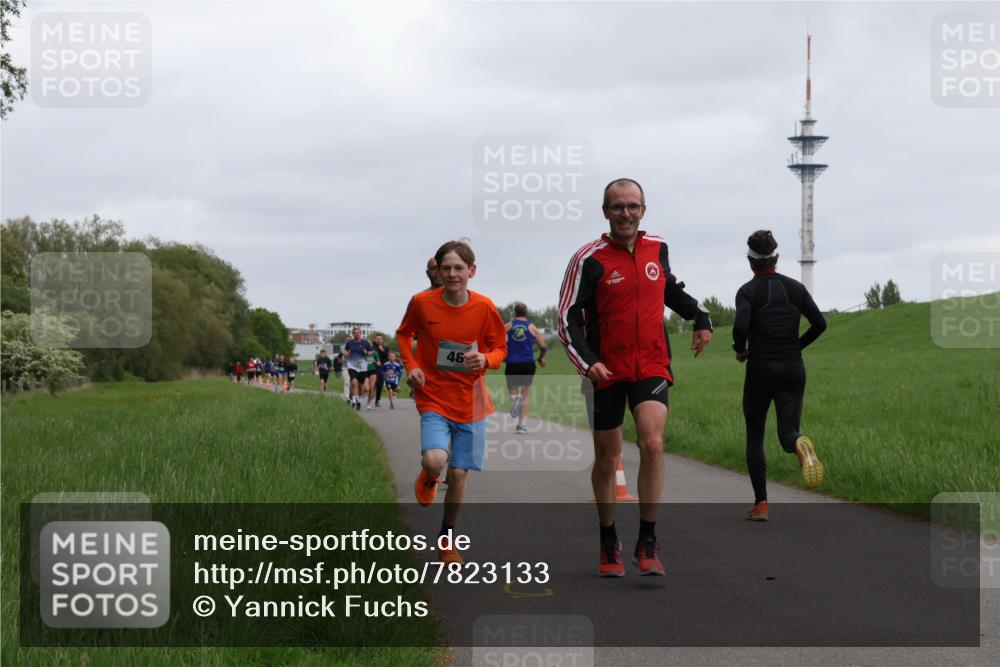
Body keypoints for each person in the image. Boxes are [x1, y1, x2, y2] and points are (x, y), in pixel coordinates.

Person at [558, 178, 713, 577]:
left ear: (644, 210)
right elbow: (567, 318)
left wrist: (700, 316)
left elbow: (669, 289)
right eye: (617, 207)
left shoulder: (656, 247)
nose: (625, 213)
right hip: (606, 371)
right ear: (605, 212)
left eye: (632, 206)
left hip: (652, 365)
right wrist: (587, 362)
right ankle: (608, 538)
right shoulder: (587, 259)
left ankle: (648, 538)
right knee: (608, 459)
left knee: (654, 443)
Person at [396, 240, 507, 564]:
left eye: (459, 268)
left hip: (471, 402)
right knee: (434, 459)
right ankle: (429, 476)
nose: (453, 274)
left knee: (458, 475)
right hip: (433, 396)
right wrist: (413, 366)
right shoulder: (421, 303)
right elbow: (404, 335)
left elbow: (499, 348)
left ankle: (447, 538)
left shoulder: (485, 307)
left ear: (472, 271)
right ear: (438, 272)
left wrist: (486, 359)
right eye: (446, 268)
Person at [733, 230, 827, 522]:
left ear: (750, 261)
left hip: (760, 368)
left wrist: (740, 348)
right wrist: (795, 345)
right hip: (792, 368)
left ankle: (761, 505)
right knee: (787, 433)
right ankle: (800, 444)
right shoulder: (795, 288)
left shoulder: (747, 291)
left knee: (755, 436)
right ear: (776, 257)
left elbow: (740, 326)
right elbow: (820, 324)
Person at [504, 302, 548, 434]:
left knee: (513, 392)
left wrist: (502, 352)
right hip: (528, 364)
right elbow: (544, 347)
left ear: (515, 313)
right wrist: (540, 358)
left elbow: (495, 337)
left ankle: (514, 398)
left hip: (512, 363)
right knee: (525, 394)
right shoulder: (532, 327)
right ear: (526, 313)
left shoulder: (509, 325)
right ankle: (521, 425)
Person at [344, 328, 372, 410]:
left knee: (361, 385)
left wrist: (366, 352)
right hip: (352, 365)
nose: (356, 334)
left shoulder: (365, 343)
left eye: (358, 332)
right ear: (353, 334)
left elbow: (371, 351)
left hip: (362, 366)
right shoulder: (350, 343)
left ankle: (359, 400)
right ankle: (354, 399)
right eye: (355, 332)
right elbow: (345, 351)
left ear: (360, 334)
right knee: (354, 382)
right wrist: (346, 354)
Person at [372, 334, 390, 407]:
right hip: (372, 367)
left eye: (380, 339)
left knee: (380, 385)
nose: (379, 340)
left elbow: (387, 358)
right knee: (373, 383)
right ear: (375, 339)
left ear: (382, 340)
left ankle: (377, 400)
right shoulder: (372, 347)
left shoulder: (385, 348)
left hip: (381, 368)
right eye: (377, 339)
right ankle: (372, 392)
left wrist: (382, 350)